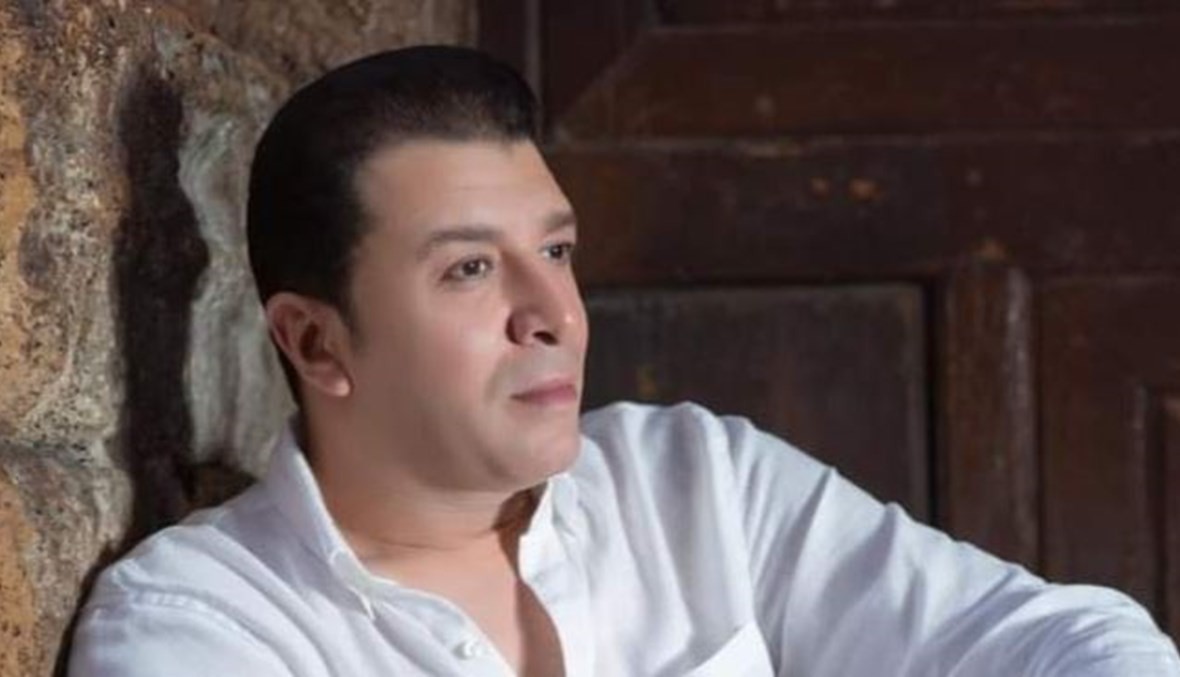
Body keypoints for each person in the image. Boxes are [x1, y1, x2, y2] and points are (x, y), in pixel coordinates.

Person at [69, 45, 1180, 677]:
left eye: (555, 251)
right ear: (316, 340)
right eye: (470, 269)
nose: (553, 311)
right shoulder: (200, 625)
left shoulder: (694, 480)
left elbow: (1058, 638)